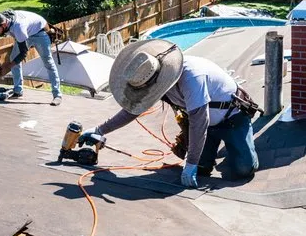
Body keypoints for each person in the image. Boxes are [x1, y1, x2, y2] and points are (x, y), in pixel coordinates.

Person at [78, 39, 259, 188]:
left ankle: (239, 144)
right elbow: (133, 110)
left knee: (243, 170)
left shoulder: (192, 77)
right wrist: (100, 129)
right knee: (203, 168)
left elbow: (199, 122)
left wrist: (190, 164)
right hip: (207, 127)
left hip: (233, 118)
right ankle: (219, 149)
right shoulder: (155, 79)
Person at [0, 10, 63, 105]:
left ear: (4, 25)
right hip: (27, 30)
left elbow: (23, 53)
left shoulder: (18, 27)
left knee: (48, 62)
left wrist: (8, 67)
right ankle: (18, 91)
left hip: (39, 32)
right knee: (13, 58)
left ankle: (57, 95)